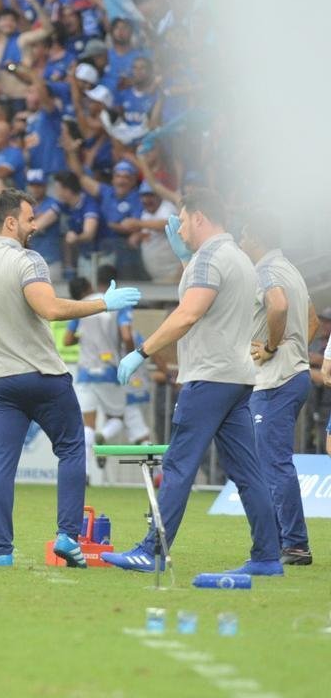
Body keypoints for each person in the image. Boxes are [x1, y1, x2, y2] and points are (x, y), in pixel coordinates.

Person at [0, 188, 141, 567]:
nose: (35, 226)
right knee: (73, 447)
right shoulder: (29, 260)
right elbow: (51, 309)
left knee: (1, 463)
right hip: (42, 375)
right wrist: (103, 304)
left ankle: (1, 553)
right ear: (10, 222)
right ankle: (68, 536)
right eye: (29, 219)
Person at [108, 190, 282, 575]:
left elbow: (188, 314)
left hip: (208, 377)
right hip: (236, 377)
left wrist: (142, 351)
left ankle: (151, 549)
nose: (180, 229)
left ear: (200, 218)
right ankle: (268, 556)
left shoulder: (209, 259)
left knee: (178, 466)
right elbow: (212, 304)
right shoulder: (236, 257)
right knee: (248, 473)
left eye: (184, 220)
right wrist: (186, 259)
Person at [240, 214, 315, 566]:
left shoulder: (265, 271)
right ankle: (280, 541)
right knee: (271, 461)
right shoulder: (291, 269)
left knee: (272, 463)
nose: (240, 242)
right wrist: (295, 349)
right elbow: (312, 319)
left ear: (254, 236)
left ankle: (295, 544)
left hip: (275, 379)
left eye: (242, 235)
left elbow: (279, 305)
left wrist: (272, 347)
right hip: (293, 374)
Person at [63, 266, 134, 485]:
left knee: (86, 426)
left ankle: (84, 474)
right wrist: (130, 354)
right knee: (118, 419)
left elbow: (67, 340)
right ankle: (105, 435)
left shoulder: (81, 306)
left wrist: (82, 338)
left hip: (86, 371)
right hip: (110, 369)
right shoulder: (117, 303)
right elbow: (126, 335)